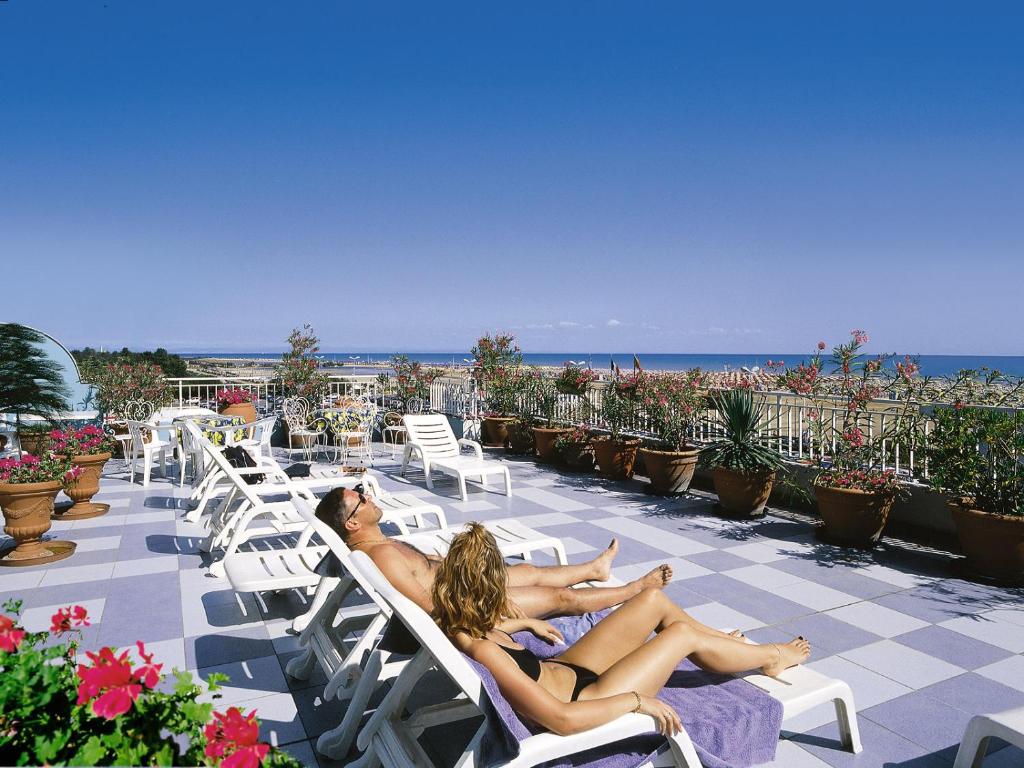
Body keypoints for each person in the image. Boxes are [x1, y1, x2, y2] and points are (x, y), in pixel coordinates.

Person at [432, 524, 811, 736]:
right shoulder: (484, 652)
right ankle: (772, 658)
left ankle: (721, 641)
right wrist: (636, 701)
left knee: (651, 601)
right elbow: (560, 721)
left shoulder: (461, 624)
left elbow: (490, 628)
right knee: (679, 636)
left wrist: (526, 622)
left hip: (567, 669)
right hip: (586, 698)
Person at [314, 485, 671, 621]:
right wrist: (518, 620)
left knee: (529, 570)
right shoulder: (383, 557)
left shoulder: (377, 545)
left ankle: (595, 569)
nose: (368, 496)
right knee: (560, 598)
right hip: (470, 603)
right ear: (352, 524)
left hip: (462, 584)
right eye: (360, 498)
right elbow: (433, 610)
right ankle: (635, 590)